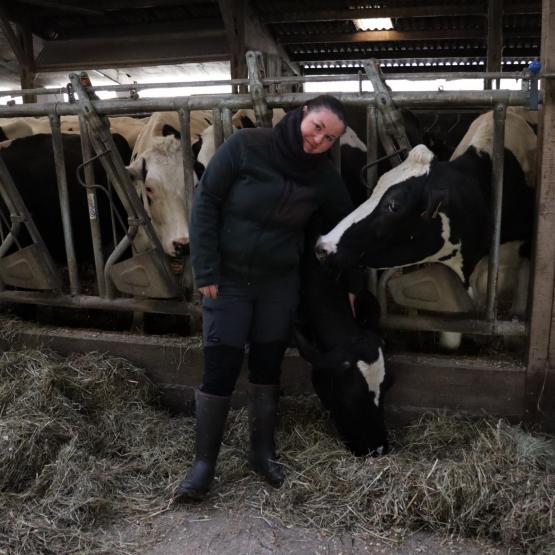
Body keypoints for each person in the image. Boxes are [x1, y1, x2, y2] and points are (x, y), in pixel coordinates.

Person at [177, 95, 356, 500]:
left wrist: (351, 287)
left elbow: (346, 230)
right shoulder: (245, 147)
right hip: (228, 281)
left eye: (330, 139)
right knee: (220, 366)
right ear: (302, 115)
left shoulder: (323, 177)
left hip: (278, 283)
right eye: (317, 129)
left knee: (267, 366)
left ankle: (262, 451)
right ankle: (204, 463)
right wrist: (205, 267)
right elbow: (206, 203)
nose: (319, 141)